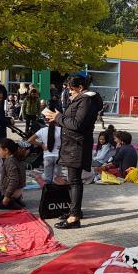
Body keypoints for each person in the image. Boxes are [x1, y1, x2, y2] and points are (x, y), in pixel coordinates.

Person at [44, 75, 103, 229]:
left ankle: (74, 217)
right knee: (72, 181)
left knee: (75, 181)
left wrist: (58, 117)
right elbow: (71, 121)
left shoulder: (86, 100)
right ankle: (74, 211)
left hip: (77, 146)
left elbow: (78, 124)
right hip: (71, 145)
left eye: (71, 90)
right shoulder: (80, 100)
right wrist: (56, 118)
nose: (69, 93)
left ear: (80, 88)